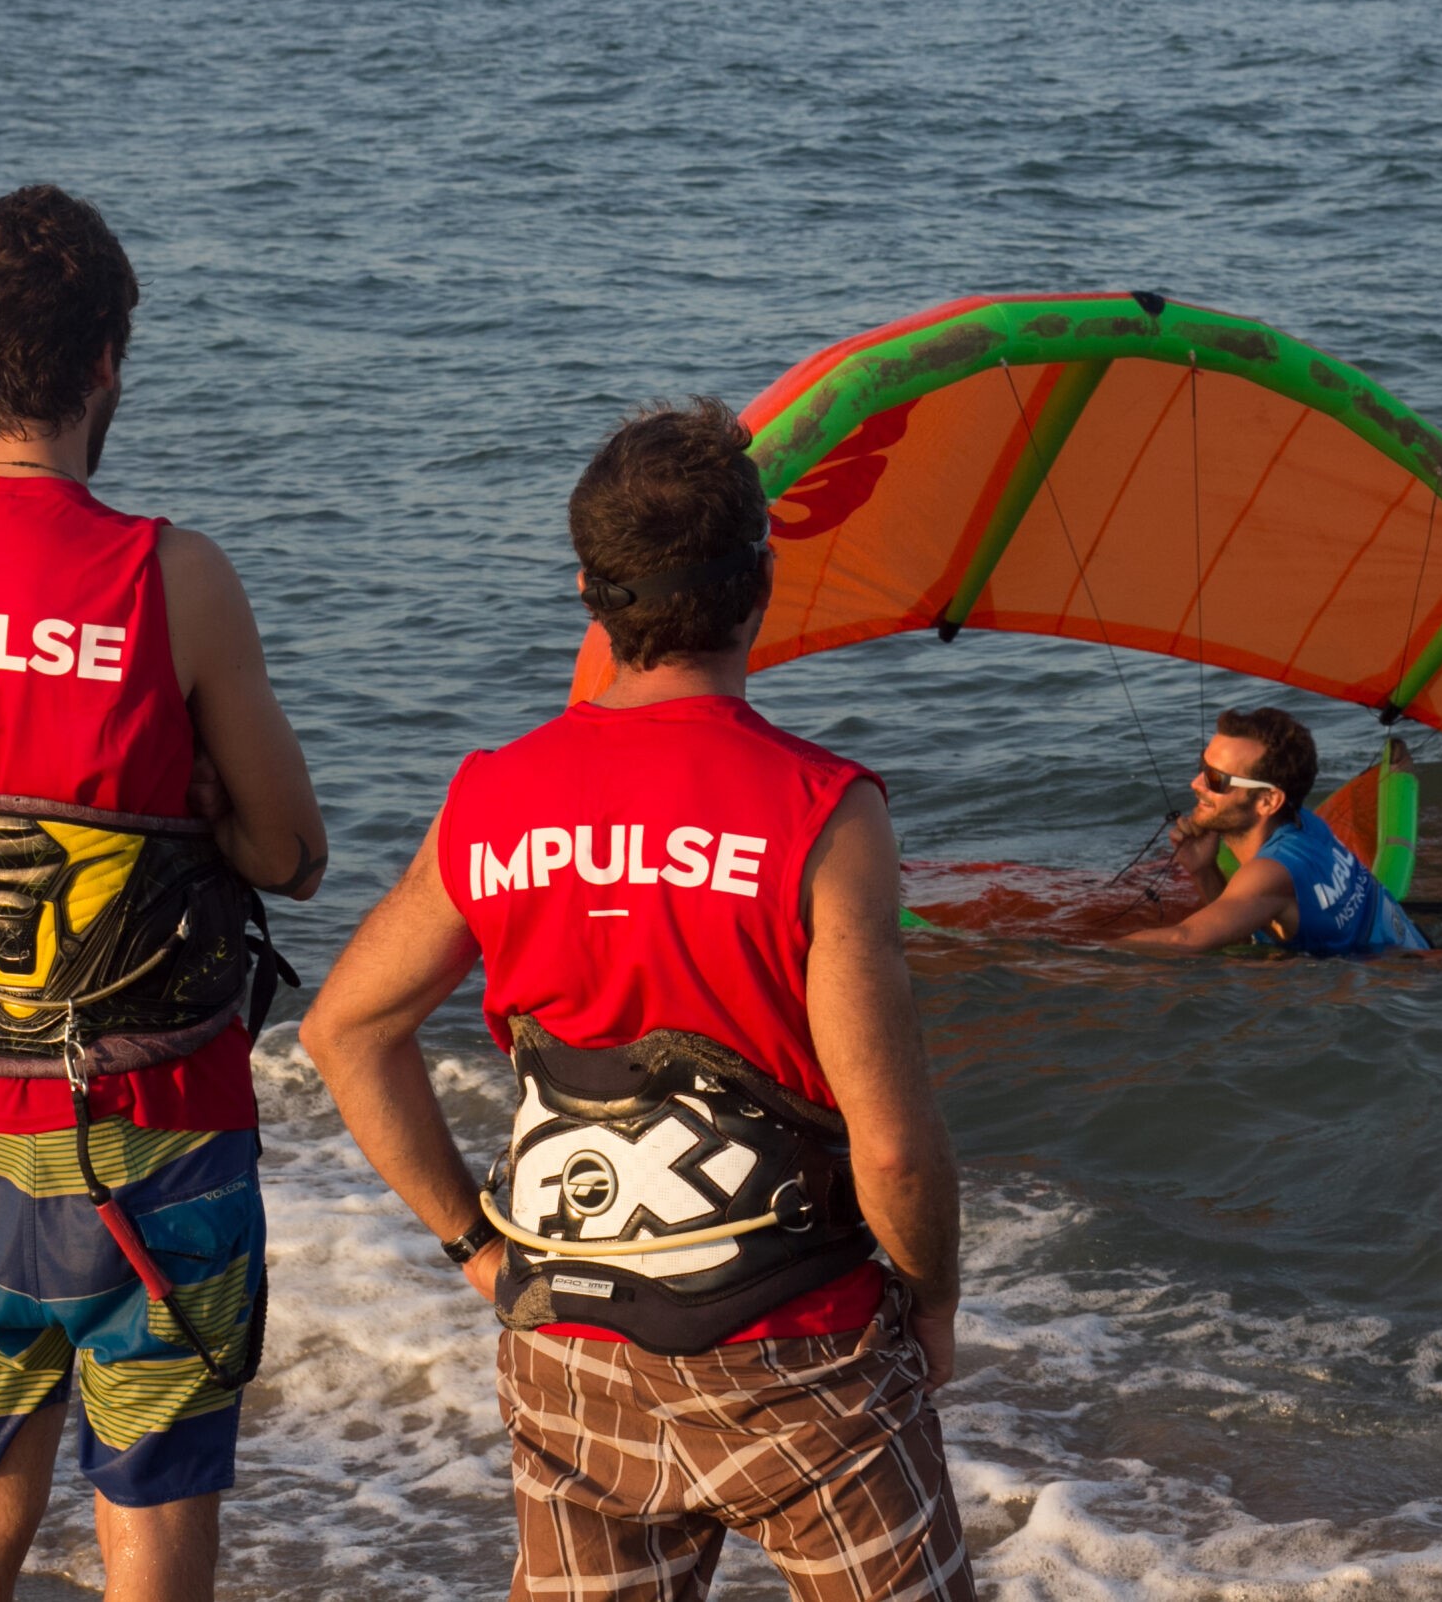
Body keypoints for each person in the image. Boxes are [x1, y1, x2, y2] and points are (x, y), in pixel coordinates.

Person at [299, 399, 972, 1602]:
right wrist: (933, 1300)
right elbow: (895, 1147)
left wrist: (476, 1249)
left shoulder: (491, 800)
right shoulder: (822, 812)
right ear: (760, 583)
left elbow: (345, 1029)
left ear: (588, 594)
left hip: (566, 1359)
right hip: (797, 1358)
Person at [0, 185, 326, 1602]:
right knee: (155, 1529)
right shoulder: (169, 576)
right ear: (109, 359)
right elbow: (294, 854)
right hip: (157, 1137)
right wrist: (207, 815)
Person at [1118, 707, 1425, 957]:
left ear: (1268, 801)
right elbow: (1239, 925)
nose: (1196, 784)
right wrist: (1203, 870)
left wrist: (1083, 958)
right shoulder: (1305, 824)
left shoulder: (1272, 872)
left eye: (1215, 778)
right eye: (1202, 765)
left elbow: (1183, 940)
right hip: (1413, 946)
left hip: (1400, 980)